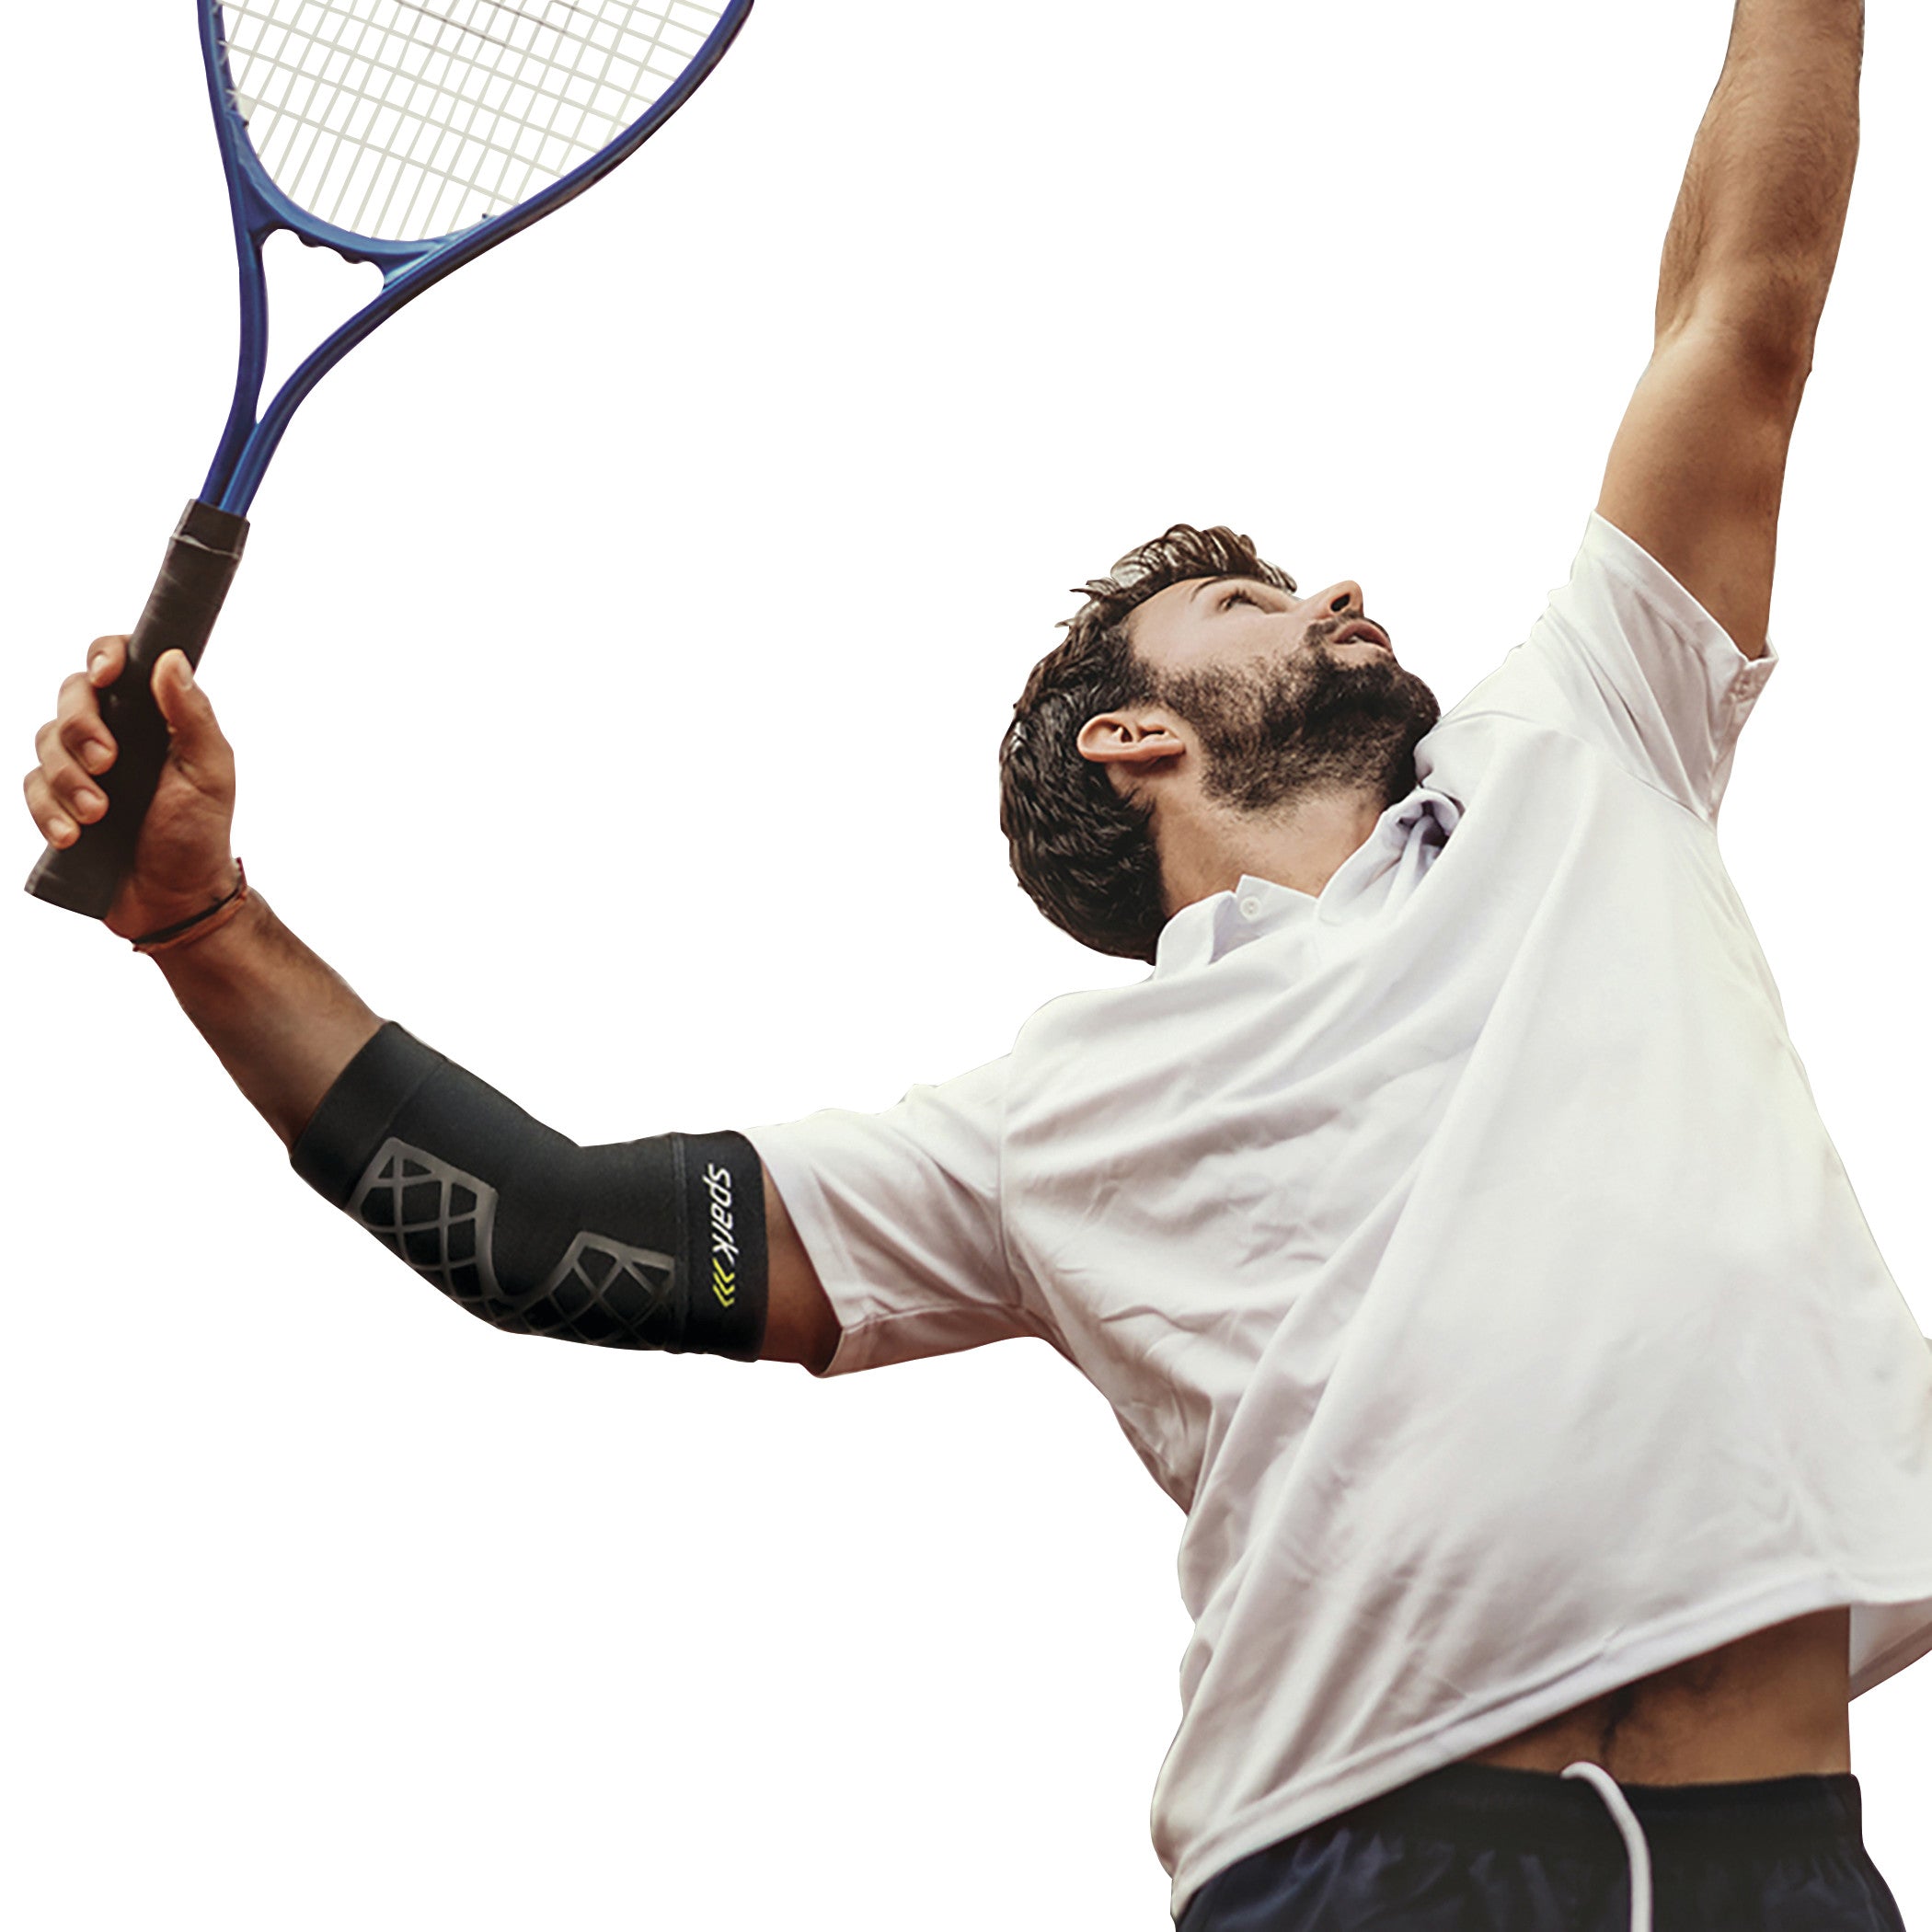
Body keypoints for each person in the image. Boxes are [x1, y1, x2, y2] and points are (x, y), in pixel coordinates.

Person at [23, 0, 1930, 1926]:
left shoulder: (1583, 753)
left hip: (1786, 1866)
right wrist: (200, 920)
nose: (1346, 592)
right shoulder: (1048, 1122)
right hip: (1367, 1858)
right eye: (1252, 599)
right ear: (1133, 737)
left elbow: (1739, 312)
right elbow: (533, 1230)